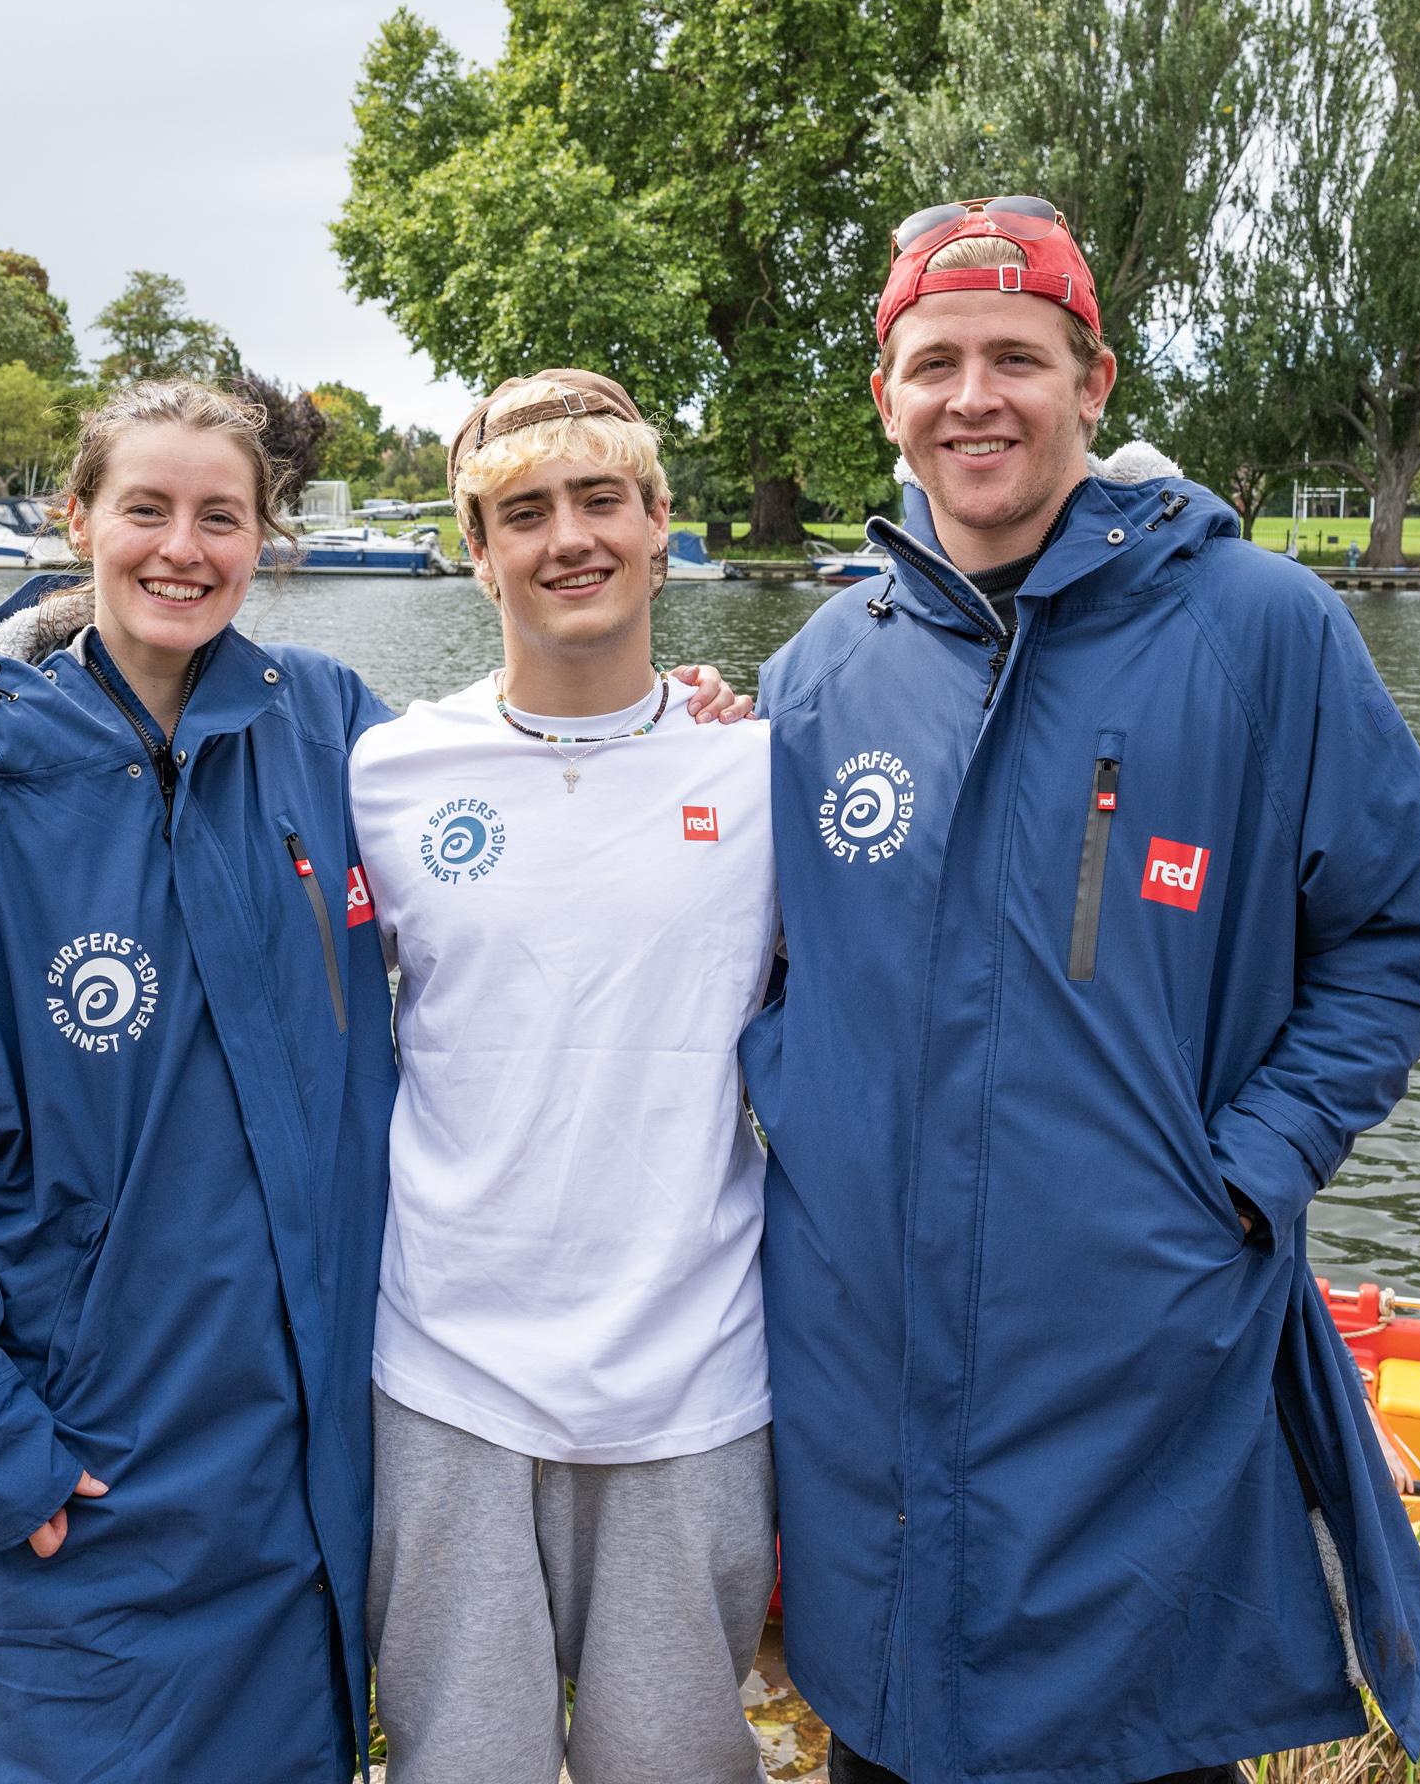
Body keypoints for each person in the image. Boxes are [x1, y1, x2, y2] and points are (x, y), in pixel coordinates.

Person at [0, 377, 745, 1783]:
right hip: (85, 1472)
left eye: (220, 516)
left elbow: (527, 799)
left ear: (265, 538)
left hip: (302, 1479)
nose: (183, 548)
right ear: (78, 520)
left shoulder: (326, 732)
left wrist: (680, 725)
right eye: (145, 509)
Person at [739, 200, 1420, 1784]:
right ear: (886, 398)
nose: (973, 398)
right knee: (884, 1736)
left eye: (1018, 358)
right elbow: (734, 965)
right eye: (935, 363)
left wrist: (1246, 1176)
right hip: (867, 1356)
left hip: (1134, 1355)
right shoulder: (819, 675)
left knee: (1128, 1743)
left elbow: (1400, 935)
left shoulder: (1261, 631)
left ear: (1096, 382)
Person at [350, 371, 781, 1784]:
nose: (568, 538)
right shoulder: (388, 774)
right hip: (445, 1375)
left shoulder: (769, 771)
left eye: (603, 500)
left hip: (690, 1376)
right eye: (522, 513)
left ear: (664, 525)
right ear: (475, 552)